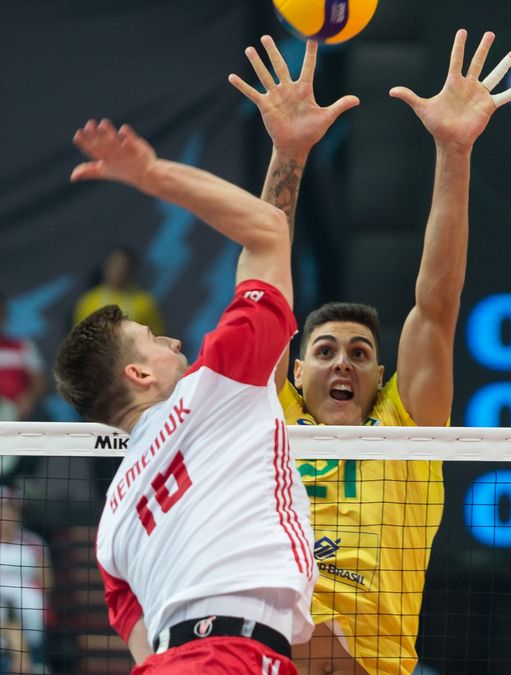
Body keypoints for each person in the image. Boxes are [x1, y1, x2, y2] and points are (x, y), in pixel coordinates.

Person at [228, 32, 511, 675]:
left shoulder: (406, 429)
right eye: (326, 350)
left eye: (361, 353)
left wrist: (454, 150)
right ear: (296, 369)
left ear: (382, 376)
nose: (343, 362)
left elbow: (438, 304)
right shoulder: (269, 415)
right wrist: (288, 153)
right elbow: (258, 289)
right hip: (264, 656)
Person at [55, 118, 313, 673]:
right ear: (139, 375)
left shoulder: (111, 527)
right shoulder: (213, 385)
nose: (173, 340)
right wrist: (150, 174)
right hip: (234, 657)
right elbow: (267, 232)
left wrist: (288, 149)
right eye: (154, 341)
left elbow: (144, 647)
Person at [0, 486, 52, 673]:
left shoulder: (34, 542)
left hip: (28, 608)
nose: (5, 515)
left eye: (9, 509)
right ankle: (22, 659)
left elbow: (48, 583)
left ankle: (26, 659)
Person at [72, 248, 165, 335]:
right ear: (106, 266)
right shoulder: (88, 301)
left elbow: (157, 337)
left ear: (131, 270)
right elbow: (80, 340)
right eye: (115, 263)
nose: (119, 269)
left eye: (124, 265)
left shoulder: (144, 302)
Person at [0, 296, 47, 422]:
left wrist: (29, 398)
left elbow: (39, 381)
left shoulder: (24, 345)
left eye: (1, 314)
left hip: (20, 416)